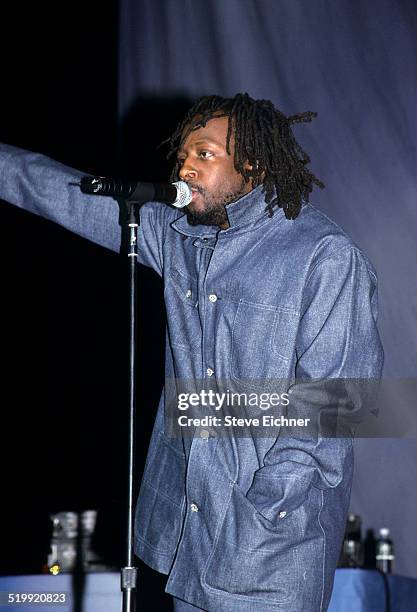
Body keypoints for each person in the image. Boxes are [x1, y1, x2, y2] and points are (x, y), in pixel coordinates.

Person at [0, 93, 383, 611]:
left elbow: (338, 408)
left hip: (268, 555)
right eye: (182, 155)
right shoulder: (177, 235)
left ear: (253, 163)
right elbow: (60, 193)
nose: (185, 166)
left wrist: (260, 516)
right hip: (187, 542)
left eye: (204, 154)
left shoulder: (324, 257)